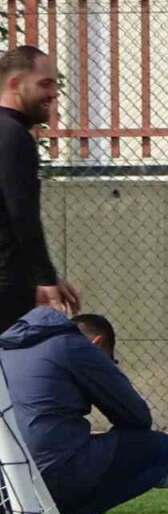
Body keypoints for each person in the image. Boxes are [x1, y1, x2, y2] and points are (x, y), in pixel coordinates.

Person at [0, 309, 168, 514]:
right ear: (97, 343)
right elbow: (136, 417)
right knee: (159, 449)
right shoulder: (75, 346)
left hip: (4, 479)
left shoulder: (6, 348)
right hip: (48, 474)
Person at [0, 45, 80, 330]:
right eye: (45, 84)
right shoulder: (12, 135)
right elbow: (21, 213)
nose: (54, 93)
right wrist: (44, 277)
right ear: (15, 85)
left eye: (55, 84)